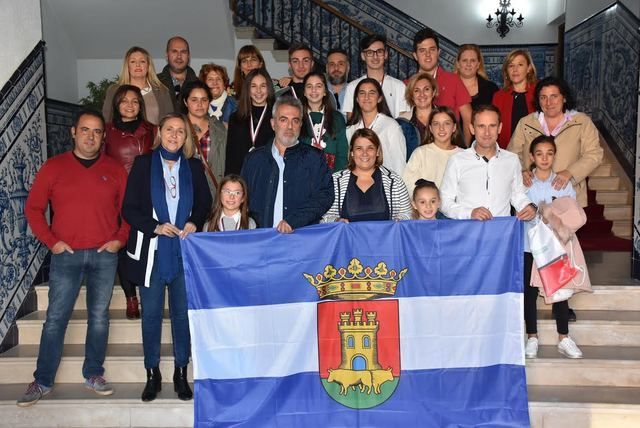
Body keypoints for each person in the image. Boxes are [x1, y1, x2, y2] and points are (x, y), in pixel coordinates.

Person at [19, 110, 129, 406]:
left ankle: (93, 373)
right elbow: (33, 208)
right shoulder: (53, 167)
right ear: (73, 132)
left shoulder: (115, 169)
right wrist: (51, 242)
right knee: (55, 318)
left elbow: (128, 211)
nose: (91, 136)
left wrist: (120, 239)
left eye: (96, 131)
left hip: (104, 256)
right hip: (65, 256)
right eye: (85, 130)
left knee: (99, 317)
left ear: (103, 136)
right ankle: (42, 380)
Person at [122, 113, 212, 402]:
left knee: (181, 315)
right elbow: (129, 208)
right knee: (150, 316)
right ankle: (152, 374)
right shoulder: (144, 164)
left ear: (187, 138)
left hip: (184, 252)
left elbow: (205, 204)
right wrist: (155, 227)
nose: (175, 135)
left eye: (181, 132)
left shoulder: (194, 167)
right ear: (160, 132)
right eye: (170, 130)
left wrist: (194, 221)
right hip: (153, 251)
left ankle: (180, 373)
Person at [522, 135, 585, 359]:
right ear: (532, 156)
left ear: (555, 155)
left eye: (549, 153)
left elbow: (573, 213)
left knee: (560, 291)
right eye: (539, 153)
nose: (544, 158)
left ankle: (564, 338)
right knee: (529, 294)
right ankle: (532, 337)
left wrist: (554, 219)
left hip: (555, 247)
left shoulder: (562, 183)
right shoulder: (525, 183)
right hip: (529, 245)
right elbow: (520, 211)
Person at [241, 96, 334, 232]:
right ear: (273, 124)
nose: (290, 127)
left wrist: (294, 221)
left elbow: (325, 196)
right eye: (283, 120)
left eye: (295, 121)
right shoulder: (254, 159)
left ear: (300, 125)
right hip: (261, 241)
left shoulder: (314, 158)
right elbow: (243, 198)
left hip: (301, 239)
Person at [508, 76, 603, 207]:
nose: (549, 102)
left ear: (564, 98)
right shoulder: (526, 123)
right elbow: (512, 154)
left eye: (554, 96)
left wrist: (570, 173)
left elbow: (594, 155)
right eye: (543, 97)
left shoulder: (582, 122)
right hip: (530, 198)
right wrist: (522, 171)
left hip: (568, 196)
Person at [103, 85, 156, 320]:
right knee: (122, 247)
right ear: (116, 104)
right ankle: (130, 297)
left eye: (135, 101)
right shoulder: (106, 131)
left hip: (146, 194)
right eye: (124, 101)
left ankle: (148, 292)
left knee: (143, 245)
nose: (130, 105)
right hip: (116, 196)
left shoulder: (152, 130)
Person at [440, 105, 536, 221]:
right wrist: (470, 213)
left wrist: (529, 207)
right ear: (472, 129)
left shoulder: (512, 160)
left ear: (499, 128)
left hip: (501, 233)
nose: (487, 132)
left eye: (492, 126)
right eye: (481, 126)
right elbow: (444, 201)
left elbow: (518, 195)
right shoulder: (457, 160)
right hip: (468, 233)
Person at [321, 128, 412, 223]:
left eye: (370, 148)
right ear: (352, 152)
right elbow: (325, 217)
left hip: (385, 238)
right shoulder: (335, 181)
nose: (365, 153)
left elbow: (407, 214)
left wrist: (399, 220)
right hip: (348, 238)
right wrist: (336, 220)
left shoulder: (395, 180)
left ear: (377, 152)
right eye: (359, 148)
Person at [412, 27, 472, 146]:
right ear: (415, 55)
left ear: (439, 52)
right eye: (422, 50)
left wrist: (466, 150)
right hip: (417, 149)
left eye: (432, 49)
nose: (428, 55)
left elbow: (468, 116)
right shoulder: (407, 84)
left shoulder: (453, 80)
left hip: (450, 148)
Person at [346, 78, 407, 175]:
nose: (366, 97)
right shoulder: (350, 129)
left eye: (372, 93)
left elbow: (399, 165)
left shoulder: (391, 127)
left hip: (386, 185)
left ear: (379, 98)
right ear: (357, 99)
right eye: (362, 93)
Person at [342, 34, 409, 119]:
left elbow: (403, 122)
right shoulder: (352, 87)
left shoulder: (399, 86)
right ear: (363, 56)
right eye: (370, 52)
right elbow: (351, 123)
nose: (375, 56)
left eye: (379, 52)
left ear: (385, 55)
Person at [103, 46, 174, 126]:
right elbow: (106, 121)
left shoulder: (162, 91)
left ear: (148, 66)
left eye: (142, 61)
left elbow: (170, 122)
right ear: (127, 66)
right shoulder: (114, 90)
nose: (138, 65)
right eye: (133, 61)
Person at [403, 106, 465, 195]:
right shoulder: (420, 153)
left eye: (447, 123)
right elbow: (408, 184)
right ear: (431, 128)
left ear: (454, 127)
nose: (441, 128)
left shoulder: (463, 155)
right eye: (436, 124)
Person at [225, 68, 276, 175]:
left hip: (269, 177)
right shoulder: (236, 118)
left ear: (269, 88)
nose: (258, 91)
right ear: (247, 89)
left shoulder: (277, 117)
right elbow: (230, 156)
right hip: (241, 178)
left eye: (263, 86)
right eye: (253, 86)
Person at [182, 80, 227, 192]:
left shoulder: (220, 128)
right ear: (185, 102)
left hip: (215, 191)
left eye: (204, 100)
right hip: (187, 190)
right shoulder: (178, 128)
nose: (200, 104)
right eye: (194, 100)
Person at [299, 71, 349, 172]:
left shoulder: (337, 118)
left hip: (332, 179)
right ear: (304, 92)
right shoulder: (297, 118)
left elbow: (342, 155)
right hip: (303, 178)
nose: (314, 90)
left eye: (318, 86)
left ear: (325, 91)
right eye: (309, 86)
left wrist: (334, 180)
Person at [492, 49, 537, 149]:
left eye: (520, 65)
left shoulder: (539, 93)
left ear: (529, 68)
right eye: (511, 65)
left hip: (536, 153)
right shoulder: (498, 97)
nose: (515, 69)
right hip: (507, 153)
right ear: (506, 71)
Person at [157, 36, 199, 109]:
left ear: (188, 56)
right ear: (167, 56)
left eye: (183, 52)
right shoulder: (154, 82)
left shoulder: (200, 84)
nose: (179, 56)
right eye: (174, 51)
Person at [454, 44, 498, 110]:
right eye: (464, 60)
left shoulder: (491, 89)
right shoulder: (447, 88)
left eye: (473, 60)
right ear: (458, 64)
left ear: (478, 64)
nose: (468, 64)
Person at [399, 72, 438, 142]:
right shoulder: (402, 122)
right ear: (412, 96)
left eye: (426, 89)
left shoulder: (446, 117)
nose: (422, 94)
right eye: (417, 91)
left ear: (433, 92)